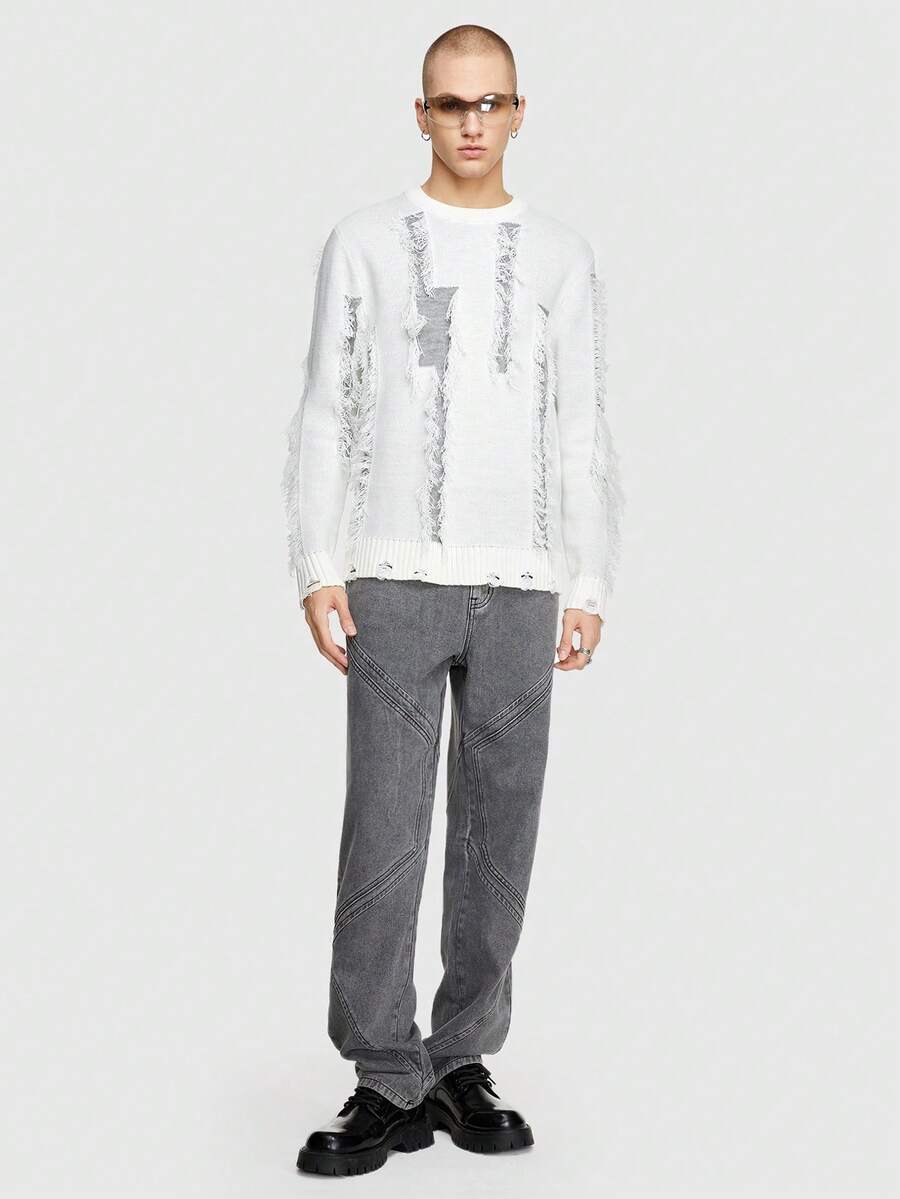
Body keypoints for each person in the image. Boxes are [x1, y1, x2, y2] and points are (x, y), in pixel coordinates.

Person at [284, 23, 624, 1178]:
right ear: (420, 112)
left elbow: (580, 426)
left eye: (490, 102)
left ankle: (460, 1055)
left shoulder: (562, 255)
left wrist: (588, 578)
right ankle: (384, 1071)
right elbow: (326, 407)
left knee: (499, 832)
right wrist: (318, 565)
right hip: (394, 571)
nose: (471, 122)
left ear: (518, 111)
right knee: (385, 828)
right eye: (449, 102)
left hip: (522, 580)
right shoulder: (367, 242)